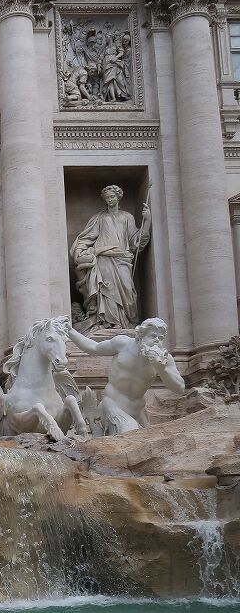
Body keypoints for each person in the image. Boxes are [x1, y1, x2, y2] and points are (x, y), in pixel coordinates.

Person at [69, 318, 185, 433]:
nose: (157, 341)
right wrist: (70, 331)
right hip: (113, 405)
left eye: (160, 338)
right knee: (131, 434)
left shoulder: (165, 359)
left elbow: (180, 388)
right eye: (153, 336)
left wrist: (162, 368)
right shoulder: (123, 344)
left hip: (138, 411)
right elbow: (93, 348)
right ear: (140, 336)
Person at [70, 184, 150, 331]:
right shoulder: (99, 218)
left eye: (112, 197)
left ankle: (127, 322)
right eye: (107, 198)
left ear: (119, 197)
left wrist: (147, 221)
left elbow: (136, 241)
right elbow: (87, 237)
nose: (109, 200)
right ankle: (109, 323)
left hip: (122, 258)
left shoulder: (127, 217)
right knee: (107, 290)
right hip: (103, 258)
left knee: (127, 290)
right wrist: (79, 251)